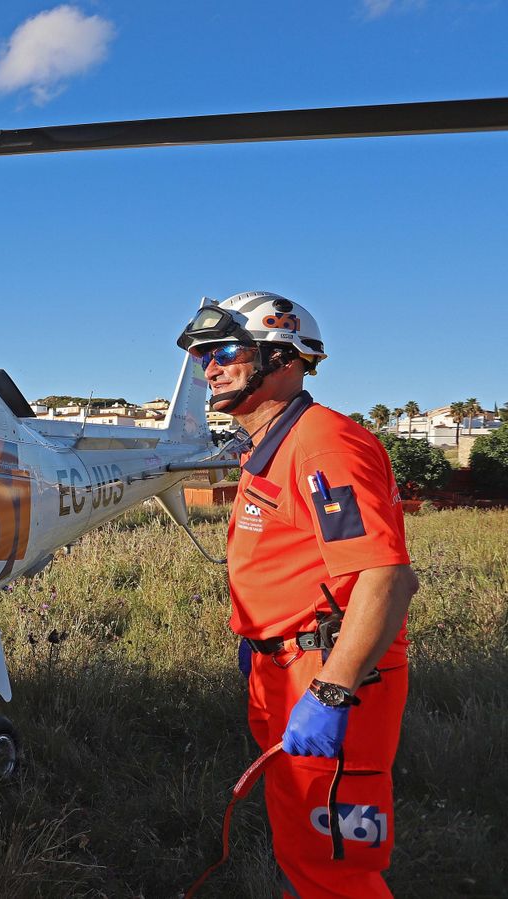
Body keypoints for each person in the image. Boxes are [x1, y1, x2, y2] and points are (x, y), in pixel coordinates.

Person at [176, 291, 419, 899]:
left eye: (228, 350)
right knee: (301, 845)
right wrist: (260, 643)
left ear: (285, 358)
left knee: (335, 867)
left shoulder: (322, 445)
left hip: (332, 675)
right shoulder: (272, 445)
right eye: (205, 354)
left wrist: (332, 690)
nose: (211, 366)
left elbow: (385, 578)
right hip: (280, 665)